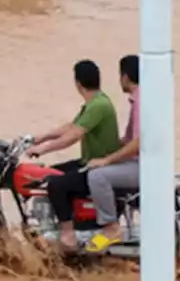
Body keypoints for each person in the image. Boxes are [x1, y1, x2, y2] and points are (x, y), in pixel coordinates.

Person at [27, 59, 121, 251]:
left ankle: (68, 234)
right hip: (89, 162)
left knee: (55, 183)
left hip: (99, 166)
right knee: (48, 172)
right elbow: (71, 126)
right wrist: (40, 137)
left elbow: (73, 136)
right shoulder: (95, 103)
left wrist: (43, 149)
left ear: (78, 83)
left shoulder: (98, 106)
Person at [82, 54, 142, 253]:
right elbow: (126, 141)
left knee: (97, 176)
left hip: (141, 166)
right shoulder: (137, 100)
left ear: (125, 77)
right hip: (138, 163)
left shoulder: (141, 102)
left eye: (120, 76)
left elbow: (137, 144)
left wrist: (106, 160)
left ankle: (110, 227)